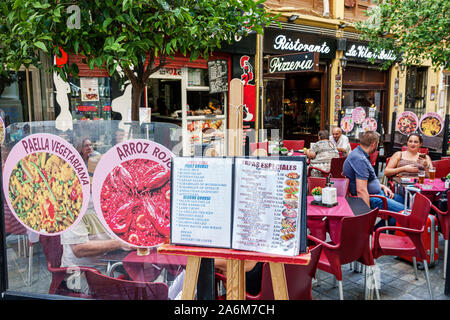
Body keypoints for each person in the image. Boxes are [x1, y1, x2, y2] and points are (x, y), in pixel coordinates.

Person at [343, 131, 405, 216]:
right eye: (378, 144)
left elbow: (366, 180)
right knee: (405, 211)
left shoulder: (360, 154)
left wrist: (381, 186)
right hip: (373, 197)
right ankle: (380, 228)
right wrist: (367, 216)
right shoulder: (359, 159)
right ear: (374, 144)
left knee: (404, 201)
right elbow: (361, 190)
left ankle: (384, 228)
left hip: (377, 193)